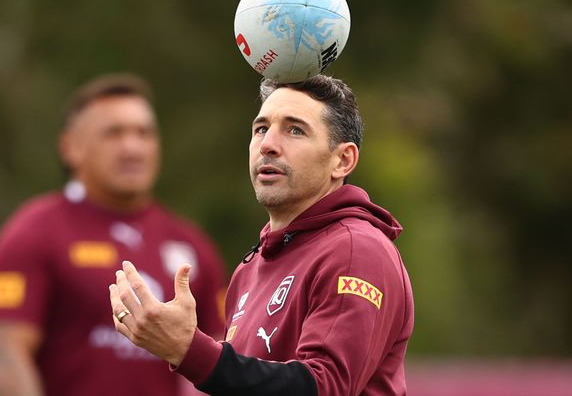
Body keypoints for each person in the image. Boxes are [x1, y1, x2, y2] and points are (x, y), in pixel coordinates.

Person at [109, 75, 414, 395]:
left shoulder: (355, 250)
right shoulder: (250, 267)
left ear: (342, 160)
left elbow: (325, 387)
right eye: (261, 128)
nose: (268, 144)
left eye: (295, 130)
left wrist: (190, 351)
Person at [0, 73, 228, 396]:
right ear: (71, 147)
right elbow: (4, 352)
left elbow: (217, 358)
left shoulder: (192, 245)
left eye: (144, 133)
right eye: (114, 133)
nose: (132, 147)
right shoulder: (32, 232)